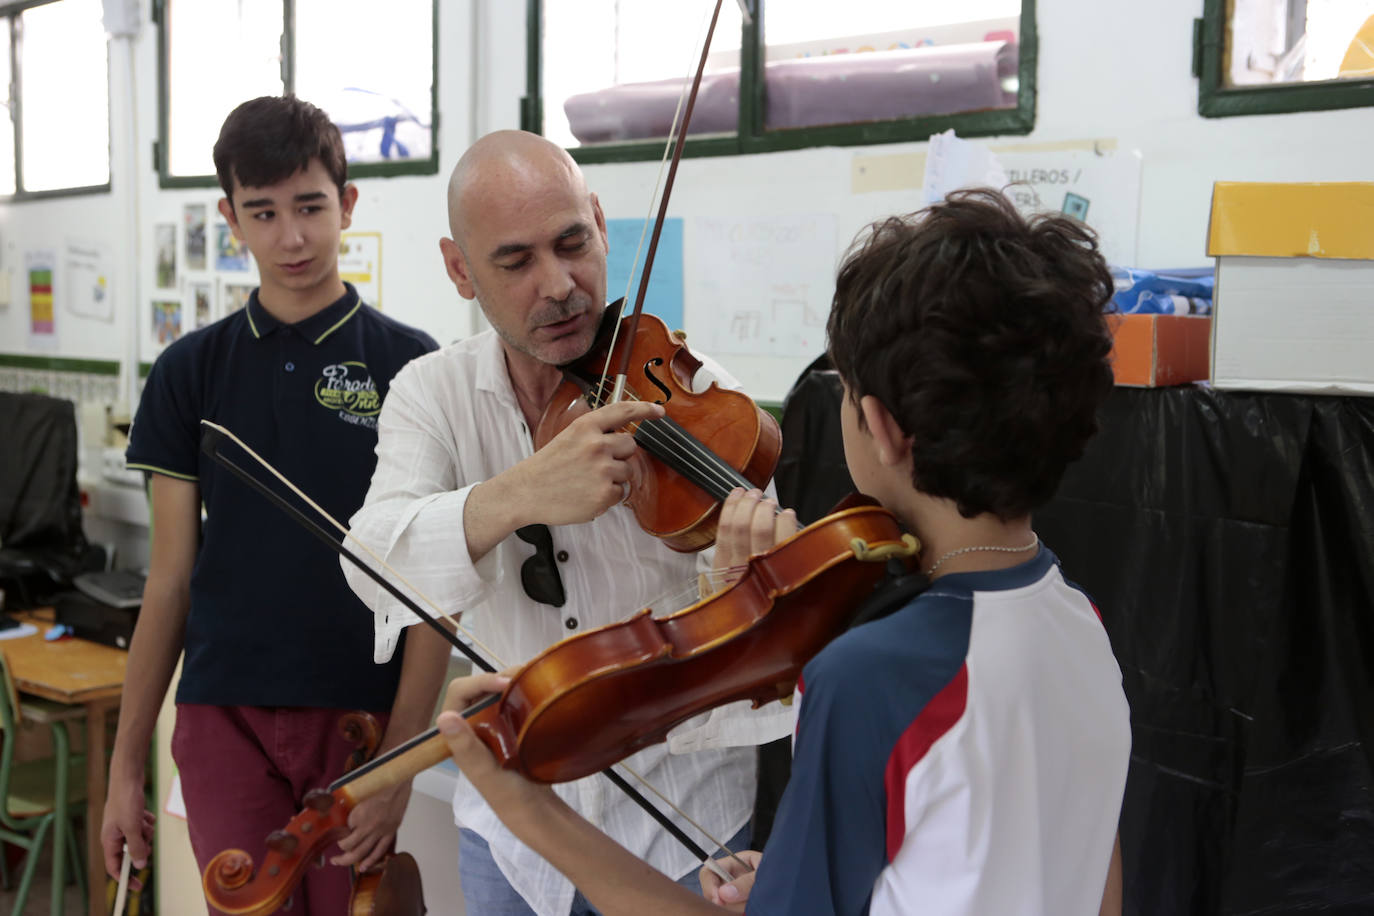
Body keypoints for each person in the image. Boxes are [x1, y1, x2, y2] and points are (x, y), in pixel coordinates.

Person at [434, 188, 1132, 915]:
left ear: (880, 427)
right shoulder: (1080, 621)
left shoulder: (867, 677)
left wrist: (531, 812)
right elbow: (1089, 873)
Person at [341, 129, 793, 916]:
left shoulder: (704, 401)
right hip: (513, 836)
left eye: (573, 243)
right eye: (515, 261)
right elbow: (371, 561)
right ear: (460, 269)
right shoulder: (430, 395)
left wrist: (740, 588)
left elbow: (762, 657)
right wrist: (518, 494)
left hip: (685, 828)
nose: (558, 285)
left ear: (602, 225)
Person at [101, 95, 447, 914]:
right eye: (263, 212)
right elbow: (169, 582)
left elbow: (435, 590)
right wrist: (123, 768)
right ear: (230, 218)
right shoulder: (189, 370)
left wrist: (402, 764)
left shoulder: (413, 367)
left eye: (310, 207)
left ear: (347, 204)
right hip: (223, 712)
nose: (291, 237)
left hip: (359, 716)